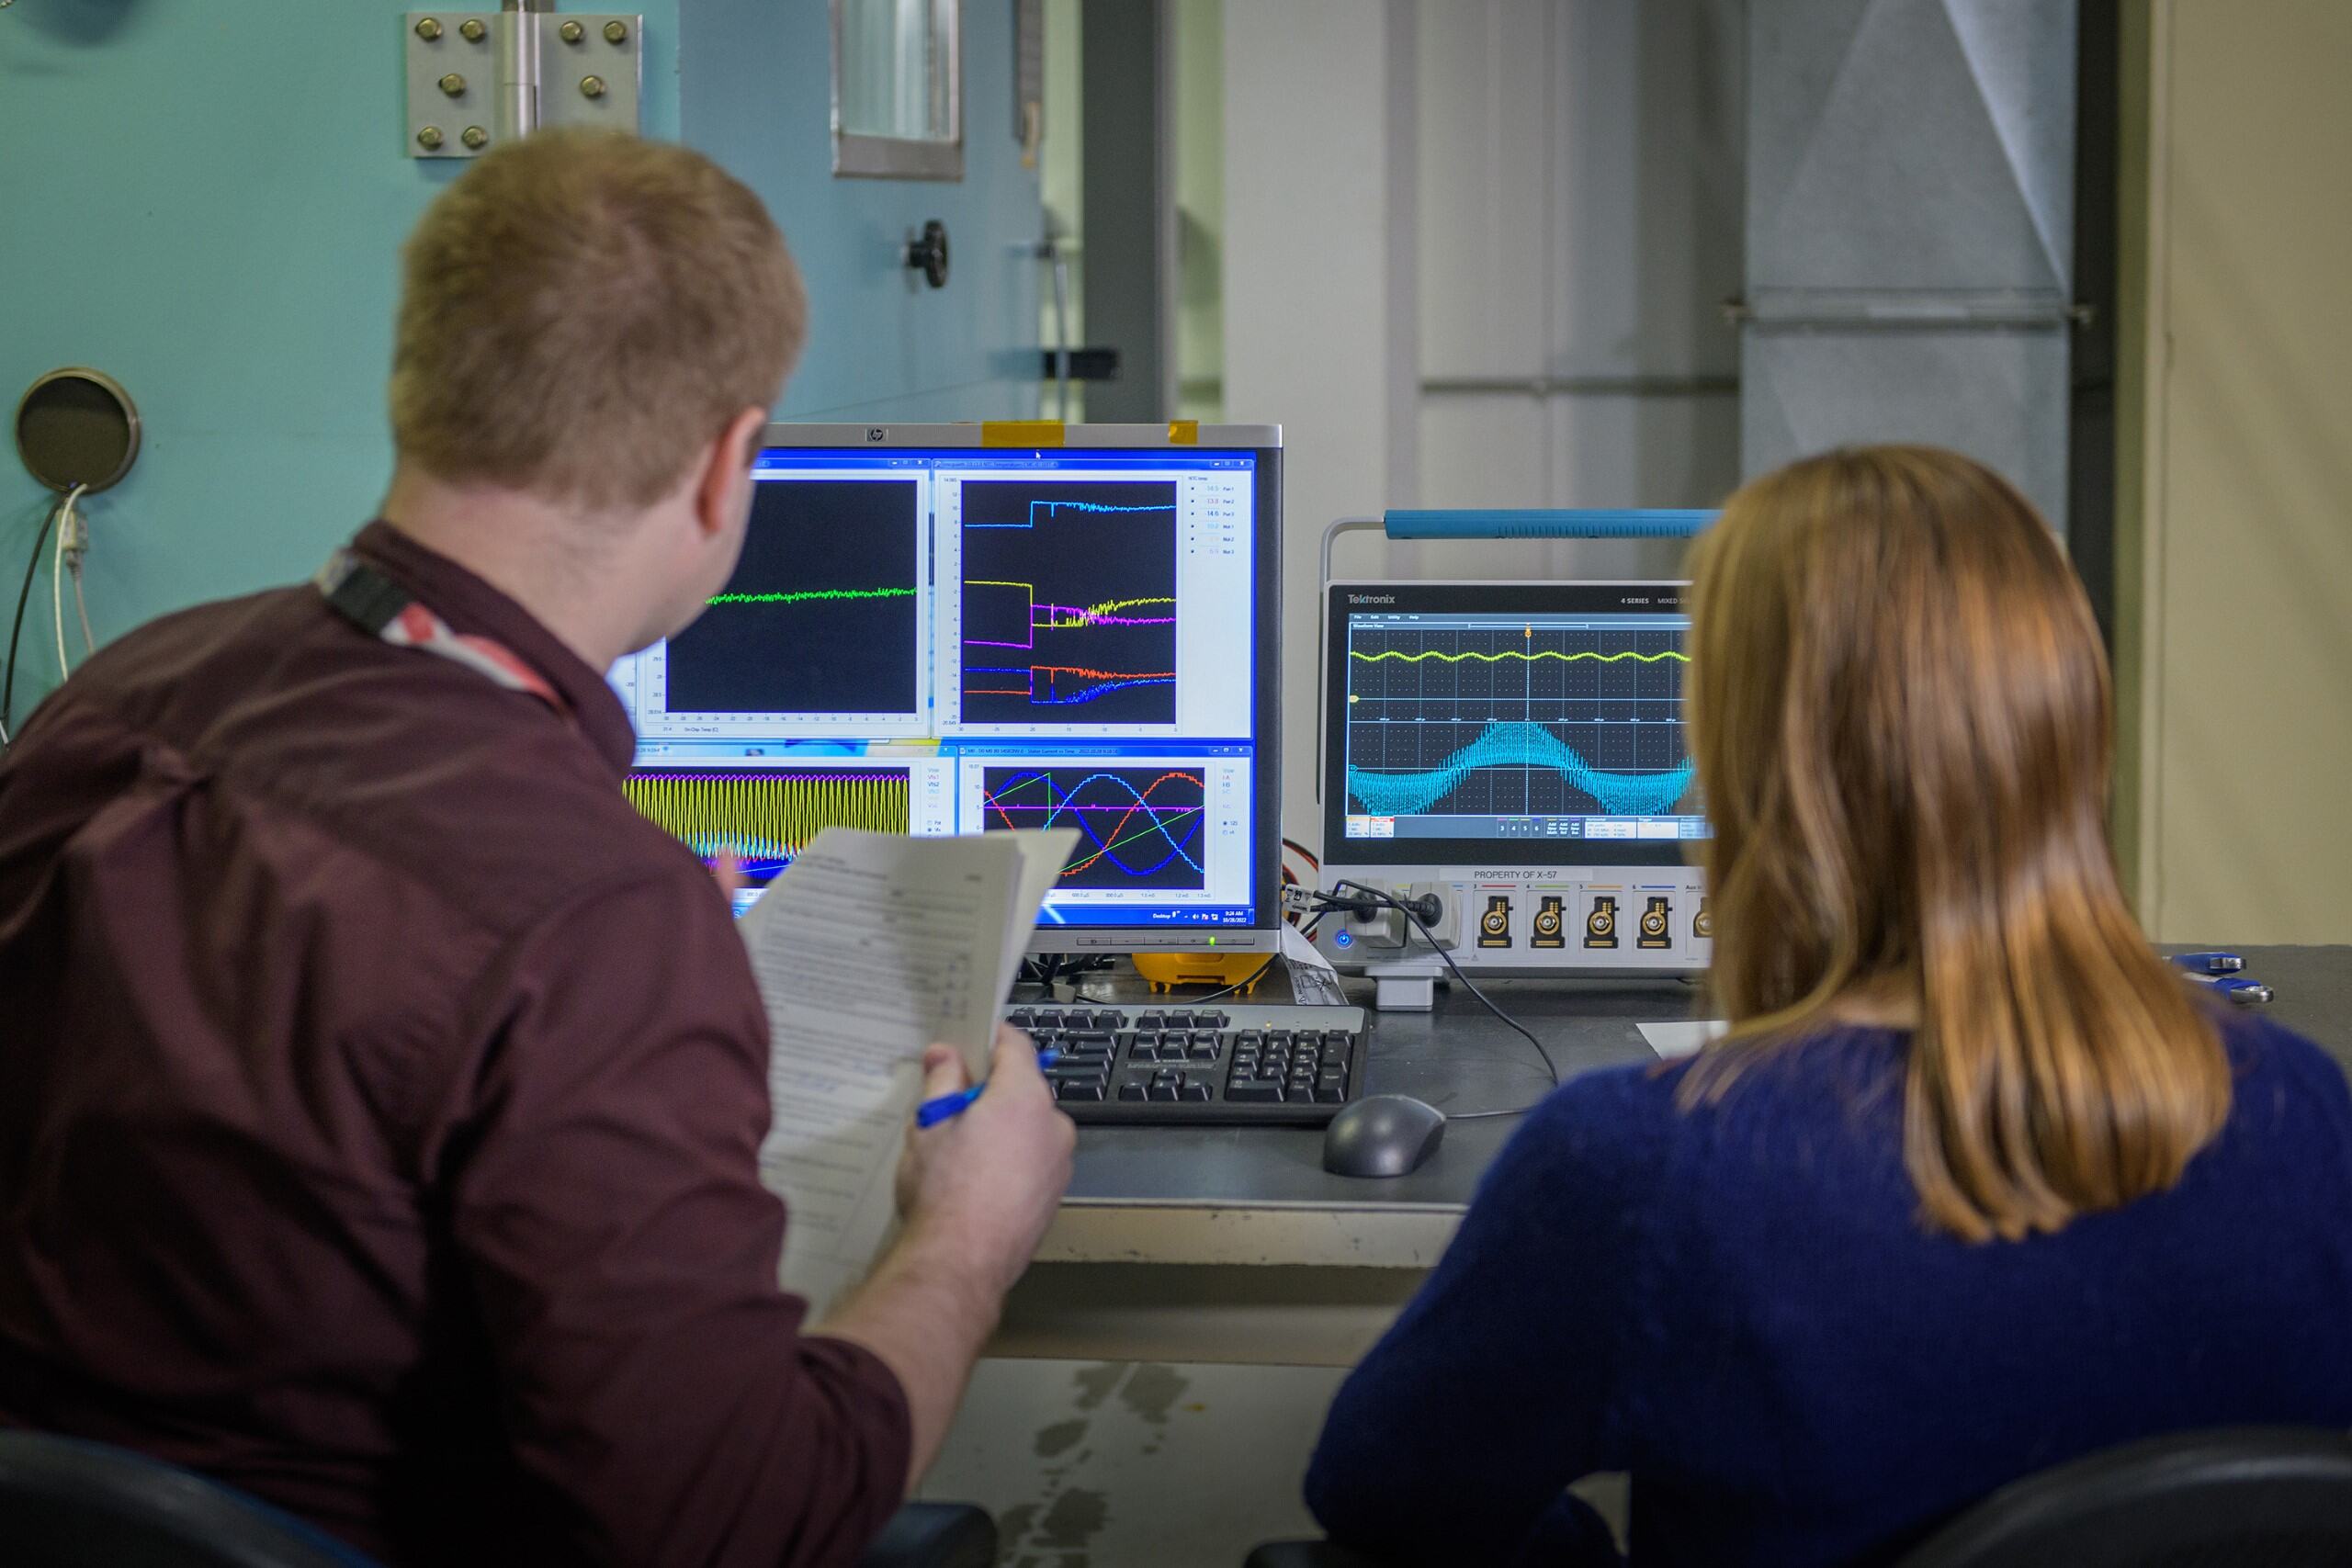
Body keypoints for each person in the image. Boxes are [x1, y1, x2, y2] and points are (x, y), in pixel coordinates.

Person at [0, 130, 1073, 1566]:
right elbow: (733, 1527)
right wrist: (968, 1235)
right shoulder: (592, 917)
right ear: (728, 466)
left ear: (420, 389)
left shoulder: (116, 697)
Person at [1303, 446, 2352, 1566]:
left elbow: (1382, 1496)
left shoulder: (1642, 1168)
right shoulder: (2301, 1111)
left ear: (1754, 763)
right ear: (2066, 728)